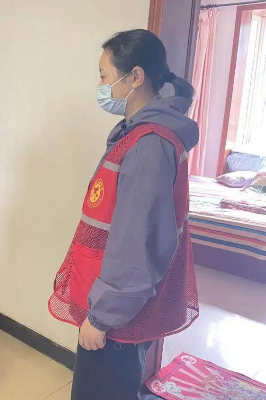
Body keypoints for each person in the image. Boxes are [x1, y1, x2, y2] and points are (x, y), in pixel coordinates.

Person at [48, 29, 200, 400]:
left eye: (104, 76)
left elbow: (136, 241)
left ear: (135, 77)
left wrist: (103, 317)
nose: (101, 87)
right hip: (115, 304)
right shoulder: (135, 133)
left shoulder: (150, 144)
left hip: (117, 315)